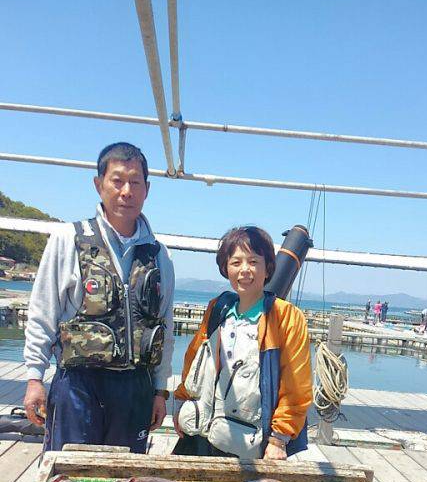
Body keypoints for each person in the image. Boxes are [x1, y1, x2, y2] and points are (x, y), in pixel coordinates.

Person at [23, 142, 175, 453]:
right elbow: (42, 314)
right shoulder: (68, 239)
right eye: (117, 180)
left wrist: (160, 390)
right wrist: (34, 378)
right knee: (67, 474)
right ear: (99, 184)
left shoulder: (159, 255)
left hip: (135, 388)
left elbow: (165, 327)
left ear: (147, 189)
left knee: (125, 480)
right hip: (78, 384)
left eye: (135, 182)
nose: (126, 191)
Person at [172, 225, 313, 461]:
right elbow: (193, 361)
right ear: (225, 268)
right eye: (236, 262)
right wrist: (181, 403)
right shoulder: (217, 308)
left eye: (253, 261)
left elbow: (296, 385)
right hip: (201, 432)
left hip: (248, 442)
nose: (245, 270)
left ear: (268, 267)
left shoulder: (286, 317)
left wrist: (279, 439)